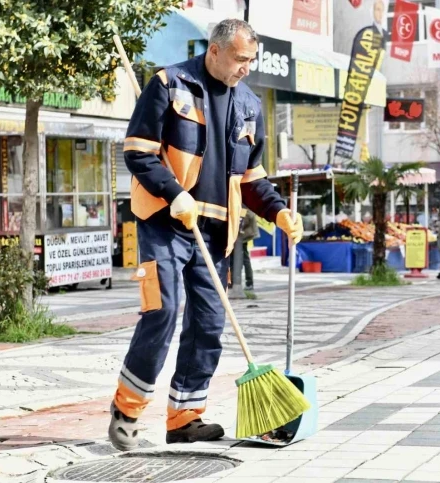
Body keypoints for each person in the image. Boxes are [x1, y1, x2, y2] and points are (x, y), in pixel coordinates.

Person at [110, 19, 303, 451]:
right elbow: (137, 152)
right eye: (239, 59)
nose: (245, 68)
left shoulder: (250, 105)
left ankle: (184, 416)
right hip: (165, 221)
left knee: (210, 324)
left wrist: (279, 211)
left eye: (251, 60)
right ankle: (127, 409)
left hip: (215, 233)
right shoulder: (169, 84)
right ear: (214, 51)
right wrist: (174, 191)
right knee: (163, 311)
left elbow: (252, 180)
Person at [239, 206, 259, 290]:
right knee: (242, 258)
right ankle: (247, 282)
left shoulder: (243, 204)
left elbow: (247, 217)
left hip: (244, 234)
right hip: (244, 234)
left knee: (244, 259)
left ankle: (249, 282)